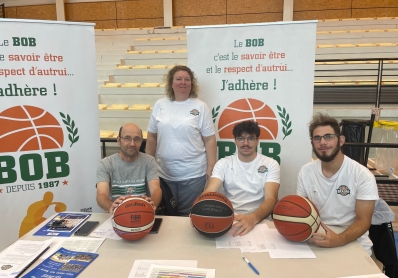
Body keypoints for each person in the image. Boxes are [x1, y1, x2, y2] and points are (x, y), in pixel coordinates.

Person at [296, 113, 379, 255]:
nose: (322, 142)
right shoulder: (306, 171)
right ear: (312, 144)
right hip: (316, 238)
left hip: (352, 241)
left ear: (341, 140)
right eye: (317, 138)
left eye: (328, 136)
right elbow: (303, 211)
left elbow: (363, 221)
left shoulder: (362, 175)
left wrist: (339, 239)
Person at [146, 65, 217, 216]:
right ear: (171, 83)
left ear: (192, 83)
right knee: (167, 215)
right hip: (164, 172)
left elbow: (210, 139)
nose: (183, 82)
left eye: (187, 79)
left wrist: (211, 167)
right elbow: (152, 136)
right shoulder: (160, 105)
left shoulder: (201, 107)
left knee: (187, 216)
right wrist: (149, 164)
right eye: (178, 79)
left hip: (193, 174)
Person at [203, 120, 280, 236]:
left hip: (259, 220)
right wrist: (198, 208)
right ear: (235, 141)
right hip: (230, 218)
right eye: (241, 138)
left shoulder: (271, 164)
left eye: (250, 138)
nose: (245, 143)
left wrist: (252, 219)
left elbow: (271, 199)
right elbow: (209, 192)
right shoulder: (223, 163)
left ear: (257, 141)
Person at [96, 123, 162, 213]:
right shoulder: (105, 164)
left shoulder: (149, 161)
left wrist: (152, 202)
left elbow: (156, 190)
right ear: (119, 140)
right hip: (116, 215)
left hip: (143, 213)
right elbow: (101, 195)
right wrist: (110, 205)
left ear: (141, 141)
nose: (132, 144)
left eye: (137, 139)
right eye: (127, 138)